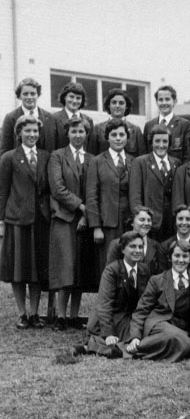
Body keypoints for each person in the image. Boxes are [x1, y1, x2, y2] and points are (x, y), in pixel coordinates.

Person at [0, 114, 51, 329]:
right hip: (17, 220)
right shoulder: (9, 157)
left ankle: (35, 313)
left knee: (37, 269)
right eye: (27, 131)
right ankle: (22, 314)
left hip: (40, 220)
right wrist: (1, 221)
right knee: (18, 269)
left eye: (35, 131)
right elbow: (2, 191)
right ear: (19, 133)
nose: (32, 134)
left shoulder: (46, 156)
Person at [48, 117, 98, 330]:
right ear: (67, 133)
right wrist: (81, 207)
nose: (78, 135)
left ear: (87, 134)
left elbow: (94, 189)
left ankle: (74, 315)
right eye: (74, 131)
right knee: (65, 266)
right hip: (64, 217)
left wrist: (87, 216)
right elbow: (57, 188)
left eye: (82, 131)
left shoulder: (92, 159)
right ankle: (61, 316)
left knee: (80, 267)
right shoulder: (57, 156)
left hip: (85, 220)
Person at [126, 240, 190, 362]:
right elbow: (141, 310)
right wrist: (135, 337)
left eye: (185, 256)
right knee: (179, 338)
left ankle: (139, 349)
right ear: (170, 258)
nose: (181, 260)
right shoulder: (157, 280)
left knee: (177, 338)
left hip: (184, 328)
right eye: (177, 256)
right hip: (160, 322)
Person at [81, 231, 150, 358]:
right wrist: (109, 334)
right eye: (133, 246)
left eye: (140, 247)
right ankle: (96, 345)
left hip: (129, 318)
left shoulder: (144, 270)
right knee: (132, 341)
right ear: (123, 249)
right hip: (111, 318)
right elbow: (104, 304)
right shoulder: (112, 270)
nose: (137, 250)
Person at [86, 118, 134, 274]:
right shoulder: (97, 161)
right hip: (107, 223)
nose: (118, 138)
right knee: (109, 264)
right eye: (114, 135)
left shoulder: (134, 161)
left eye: (122, 134)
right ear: (107, 138)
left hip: (129, 222)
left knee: (130, 262)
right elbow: (92, 196)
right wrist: (96, 227)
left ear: (127, 137)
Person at [129, 126, 179, 241]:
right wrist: (140, 220)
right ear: (151, 142)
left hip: (170, 220)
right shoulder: (140, 162)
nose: (161, 145)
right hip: (150, 220)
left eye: (165, 141)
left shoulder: (176, 163)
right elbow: (135, 195)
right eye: (157, 141)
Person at [106, 206, 166, 277]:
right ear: (132, 223)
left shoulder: (156, 246)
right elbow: (110, 274)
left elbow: (161, 276)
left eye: (149, 220)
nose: (146, 223)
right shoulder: (117, 244)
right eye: (142, 220)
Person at [1, 78, 55, 155]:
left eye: (33, 94)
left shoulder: (49, 117)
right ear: (19, 96)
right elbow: (4, 151)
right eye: (25, 94)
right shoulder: (10, 118)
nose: (29, 97)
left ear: (38, 95)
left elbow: (53, 147)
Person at [143, 85, 190, 163]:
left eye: (167, 99)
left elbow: (187, 155)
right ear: (156, 102)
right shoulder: (149, 125)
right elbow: (145, 153)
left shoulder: (184, 125)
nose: (164, 103)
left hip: (177, 169)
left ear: (174, 101)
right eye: (160, 100)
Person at [91, 88, 146, 157]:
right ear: (109, 105)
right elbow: (92, 157)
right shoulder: (98, 129)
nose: (117, 106)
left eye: (121, 103)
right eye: (114, 102)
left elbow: (142, 159)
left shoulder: (135, 131)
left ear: (126, 106)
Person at [51, 82, 96, 152]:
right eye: (71, 97)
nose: (74, 101)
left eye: (78, 98)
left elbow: (91, 148)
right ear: (64, 97)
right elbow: (50, 147)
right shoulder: (54, 118)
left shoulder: (88, 120)